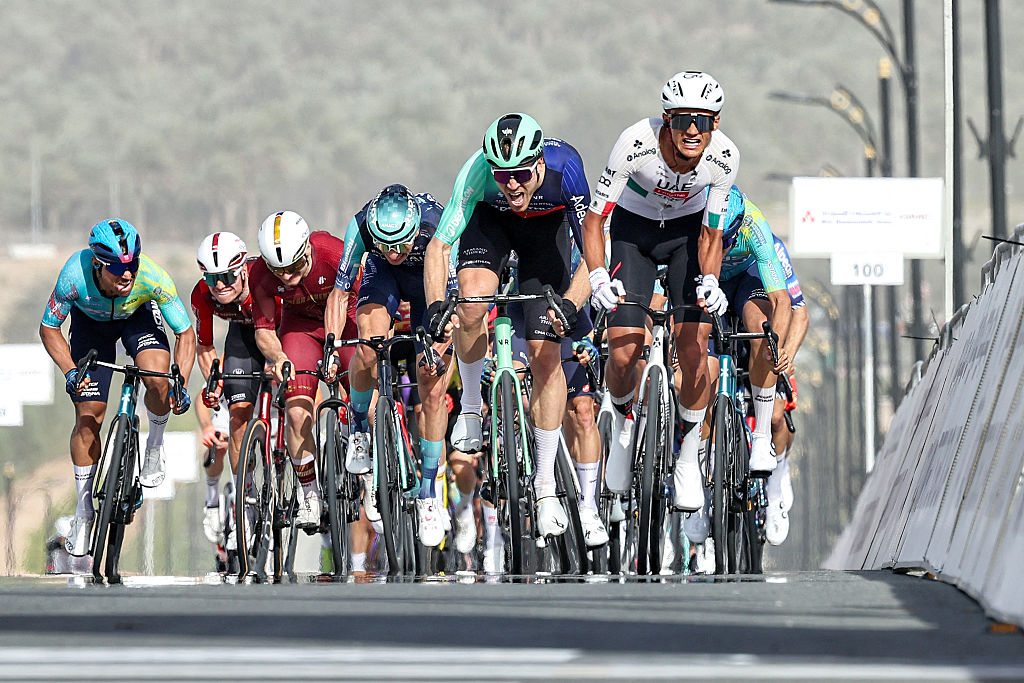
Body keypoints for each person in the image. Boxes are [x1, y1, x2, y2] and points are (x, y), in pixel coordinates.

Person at [425, 113, 592, 538]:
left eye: (520, 174)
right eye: (503, 176)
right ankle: (467, 412)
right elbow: (439, 247)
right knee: (472, 303)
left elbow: (595, 253)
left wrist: (571, 304)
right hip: (491, 226)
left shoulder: (566, 169)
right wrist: (433, 307)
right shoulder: (477, 174)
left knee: (545, 353)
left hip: (545, 235)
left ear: (538, 162)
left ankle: (546, 486)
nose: (512, 185)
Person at [581, 71, 739, 515]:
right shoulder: (635, 143)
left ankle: (688, 457)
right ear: (667, 119)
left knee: (694, 349)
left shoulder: (724, 158)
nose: (693, 130)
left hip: (687, 237)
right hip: (634, 233)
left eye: (704, 121)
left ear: (717, 124)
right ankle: (624, 427)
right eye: (684, 119)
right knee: (623, 351)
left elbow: (711, 233)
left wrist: (709, 280)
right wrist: (596, 277)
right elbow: (594, 221)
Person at [39, 219, 195, 556]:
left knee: (157, 380)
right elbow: (49, 328)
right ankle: (83, 512)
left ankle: (154, 444)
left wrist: (179, 380)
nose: (127, 275)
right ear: (97, 263)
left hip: (138, 318)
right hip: (90, 326)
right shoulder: (73, 275)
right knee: (88, 417)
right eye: (116, 269)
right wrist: (69, 372)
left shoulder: (152, 277)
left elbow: (185, 333)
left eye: (131, 265)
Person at [334, 184, 459, 548]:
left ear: (415, 228)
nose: (393, 252)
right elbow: (341, 293)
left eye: (401, 245)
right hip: (383, 282)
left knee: (432, 384)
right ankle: (359, 427)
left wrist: (439, 345)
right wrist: (330, 343)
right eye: (384, 245)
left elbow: (449, 303)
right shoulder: (361, 228)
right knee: (369, 345)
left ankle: (428, 495)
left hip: (428, 282)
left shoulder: (436, 224)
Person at [250, 211, 358, 531]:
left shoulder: (332, 252)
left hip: (345, 317)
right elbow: (264, 330)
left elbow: (367, 299)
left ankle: (369, 459)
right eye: (278, 270)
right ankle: (309, 493)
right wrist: (280, 357)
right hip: (300, 328)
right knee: (297, 413)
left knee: (364, 388)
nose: (286, 277)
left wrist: (339, 349)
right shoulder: (260, 274)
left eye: (294, 267)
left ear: (307, 250)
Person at [191, 232, 272, 544]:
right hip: (242, 337)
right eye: (212, 279)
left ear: (242, 270)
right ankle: (245, 499)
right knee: (238, 417)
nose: (220, 286)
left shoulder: (263, 279)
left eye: (226, 276)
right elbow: (205, 345)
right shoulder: (203, 294)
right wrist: (214, 380)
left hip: (279, 330)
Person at [764, 234, 809, 546]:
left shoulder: (771, 248)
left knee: (777, 417)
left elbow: (799, 311)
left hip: (769, 332)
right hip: (728, 323)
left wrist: (788, 354)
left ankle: (778, 478)